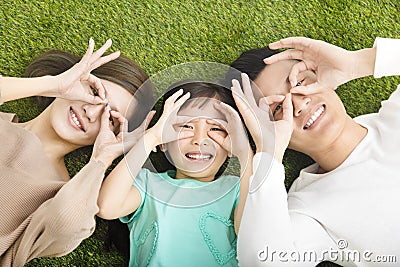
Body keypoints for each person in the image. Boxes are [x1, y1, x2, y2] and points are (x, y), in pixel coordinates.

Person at [229, 37, 400, 266]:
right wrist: (268, 153)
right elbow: (264, 262)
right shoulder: (308, 207)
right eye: (279, 108)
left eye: (299, 82)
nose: (298, 105)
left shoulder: (394, 116)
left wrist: (358, 63)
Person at [0, 38, 153, 266]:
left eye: (109, 118)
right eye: (93, 91)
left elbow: (66, 225)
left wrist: (103, 158)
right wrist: (52, 85)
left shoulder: (64, 194)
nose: (91, 112)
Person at [97, 81, 254, 266]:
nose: (199, 140)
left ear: (231, 145)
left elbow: (251, 236)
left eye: (216, 128)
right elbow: (107, 207)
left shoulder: (236, 189)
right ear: (164, 142)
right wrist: (152, 138)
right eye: (186, 126)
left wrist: (245, 155)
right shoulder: (148, 184)